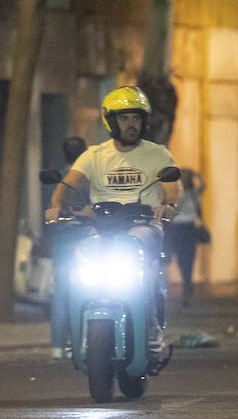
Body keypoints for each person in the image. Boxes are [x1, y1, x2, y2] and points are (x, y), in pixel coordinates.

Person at [45, 86, 181, 356]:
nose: (131, 124)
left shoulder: (157, 154)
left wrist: (169, 205)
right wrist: (56, 206)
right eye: (124, 118)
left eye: (136, 118)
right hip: (102, 228)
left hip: (144, 225)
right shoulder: (95, 155)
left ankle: (152, 328)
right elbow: (69, 183)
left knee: (143, 258)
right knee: (79, 265)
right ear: (111, 121)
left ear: (144, 121)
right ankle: (75, 332)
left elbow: (172, 185)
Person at [46, 135, 88, 358]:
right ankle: (78, 341)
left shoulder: (57, 178)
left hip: (63, 242)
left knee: (62, 294)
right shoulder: (89, 178)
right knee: (88, 291)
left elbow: (49, 210)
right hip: (89, 241)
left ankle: (57, 346)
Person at [162, 167, 205, 306]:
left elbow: (204, 186)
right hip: (176, 228)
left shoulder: (193, 193)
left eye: (187, 177)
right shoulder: (176, 193)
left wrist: (198, 175)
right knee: (176, 258)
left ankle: (187, 285)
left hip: (188, 227)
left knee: (188, 258)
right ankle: (182, 285)